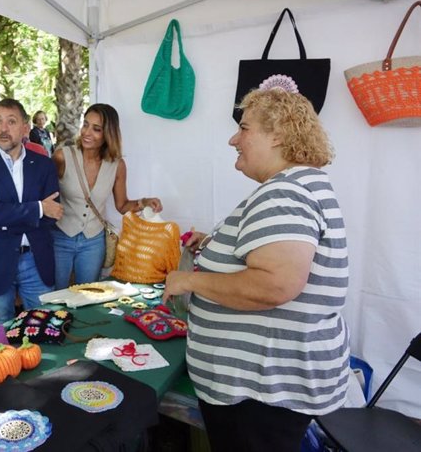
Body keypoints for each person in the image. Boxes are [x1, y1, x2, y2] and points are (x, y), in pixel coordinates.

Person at [163, 88, 350, 452]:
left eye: (244, 128)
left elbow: (275, 285)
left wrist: (189, 279)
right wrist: (215, 245)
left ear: (278, 134)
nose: (234, 138)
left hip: (262, 391)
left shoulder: (285, 193)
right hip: (266, 387)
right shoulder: (297, 186)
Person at [0, 98, 63, 328]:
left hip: (35, 259)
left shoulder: (44, 165)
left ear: (25, 128)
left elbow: (52, 215)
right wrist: (37, 207)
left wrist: (4, 211)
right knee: (1, 331)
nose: (3, 128)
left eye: (11, 121)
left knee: (43, 326)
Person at [51, 103, 162, 289]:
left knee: (88, 294)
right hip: (60, 236)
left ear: (108, 133)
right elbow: (45, 195)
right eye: (85, 124)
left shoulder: (117, 165)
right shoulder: (63, 157)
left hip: (93, 242)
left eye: (96, 129)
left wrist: (144, 202)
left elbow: (122, 205)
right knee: (55, 294)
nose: (87, 132)